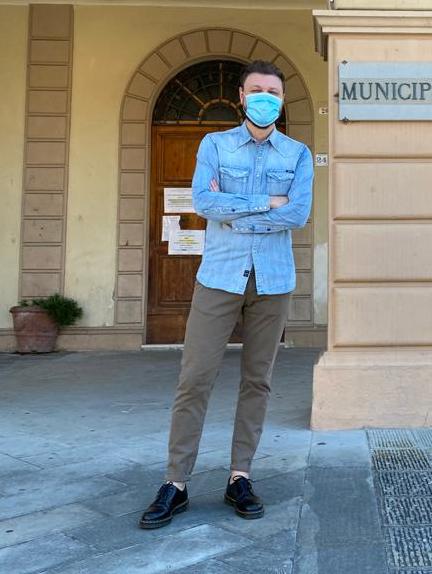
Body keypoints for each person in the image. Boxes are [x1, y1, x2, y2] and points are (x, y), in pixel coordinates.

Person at [139, 60, 314, 529]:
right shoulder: (214, 145)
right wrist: (267, 202)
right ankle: (175, 482)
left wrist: (235, 211)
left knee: (258, 381)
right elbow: (203, 202)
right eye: (256, 90)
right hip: (218, 277)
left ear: (282, 100)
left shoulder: (297, 154)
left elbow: (298, 214)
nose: (264, 98)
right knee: (194, 378)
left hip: (273, 281)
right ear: (241, 97)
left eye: (272, 92)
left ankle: (241, 476)